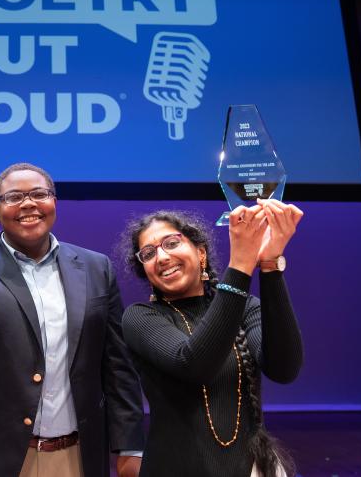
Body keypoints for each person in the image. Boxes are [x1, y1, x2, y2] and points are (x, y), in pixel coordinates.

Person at [0, 163, 145, 477]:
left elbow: (117, 362)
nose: (28, 204)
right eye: (13, 197)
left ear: (54, 202)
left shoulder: (95, 267)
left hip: (77, 454)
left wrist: (130, 444)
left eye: (39, 194)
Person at [119, 202, 304, 477]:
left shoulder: (245, 307)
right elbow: (194, 364)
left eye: (171, 243)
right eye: (148, 253)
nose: (162, 257)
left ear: (201, 252)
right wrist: (240, 266)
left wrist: (270, 264)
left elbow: (284, 369)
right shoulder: (141, 317)